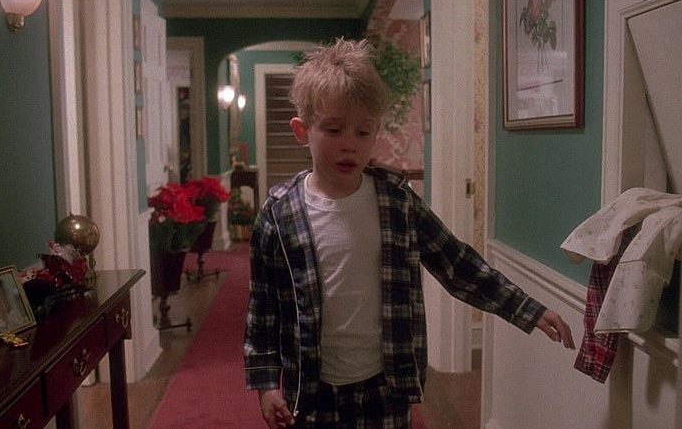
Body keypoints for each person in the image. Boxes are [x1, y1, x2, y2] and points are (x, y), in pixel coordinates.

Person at [244, 38, 576, 429]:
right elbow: (264, 306)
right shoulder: (278, 213)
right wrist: (266, 384)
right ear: (302, 131)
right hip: (311, 389)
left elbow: (457, 264)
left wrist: (527, 309)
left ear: (376, 133)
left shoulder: (397, 203)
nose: (350, 144)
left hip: (386, 384)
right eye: (334, 130)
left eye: (363, 133)